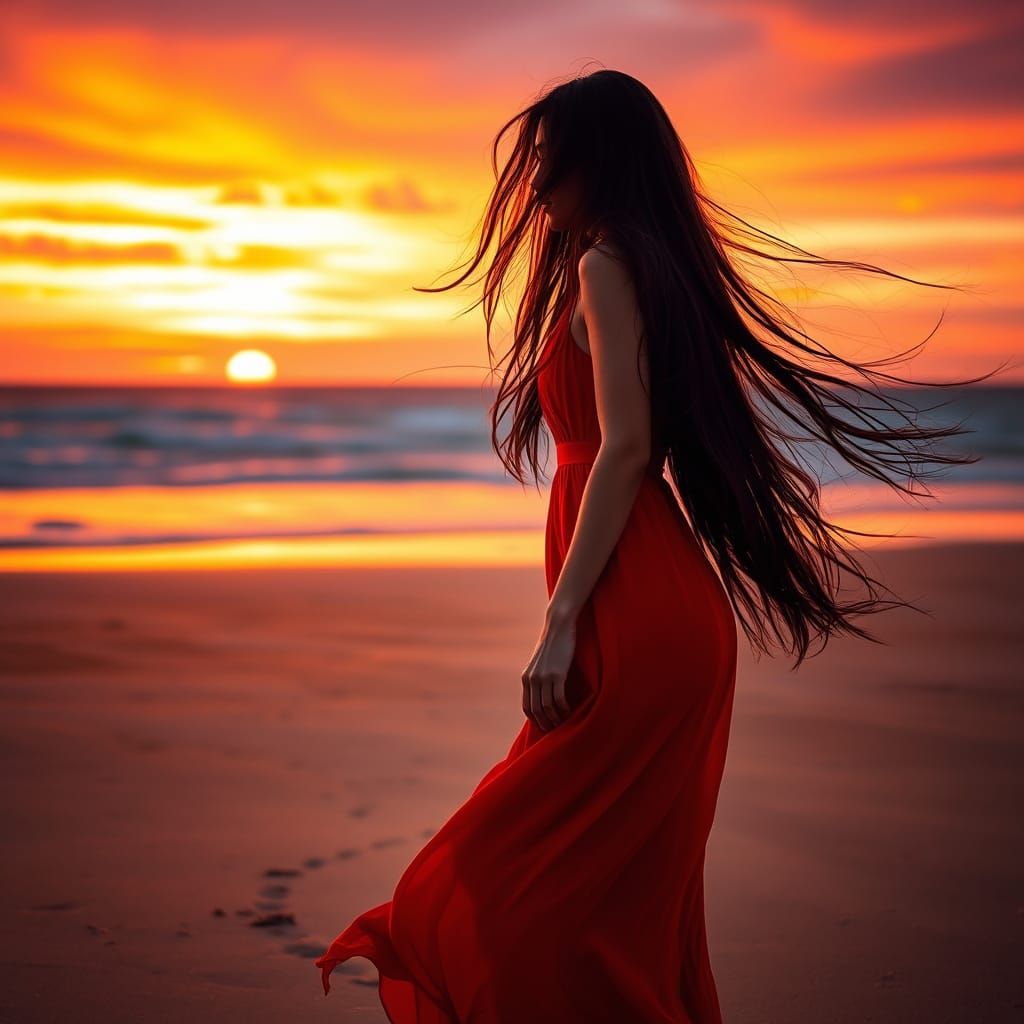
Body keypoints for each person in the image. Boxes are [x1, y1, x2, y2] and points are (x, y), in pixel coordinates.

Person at [315, 68, 1002, 1022]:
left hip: (635, 612)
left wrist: (559, 624)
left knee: (508, 872)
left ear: (600, 164)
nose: (538, 183)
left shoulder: (607, 264)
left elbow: (629, 447)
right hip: (648, 604)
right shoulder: (625, 262)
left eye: (553, 162)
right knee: (618, 904)